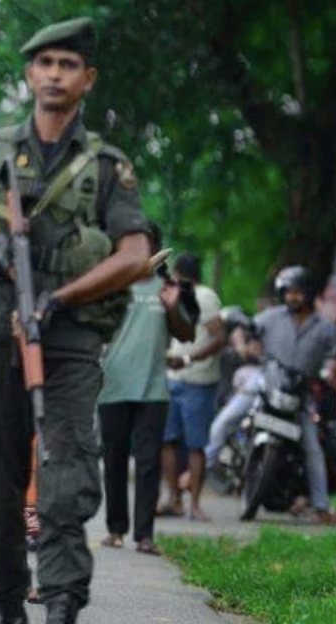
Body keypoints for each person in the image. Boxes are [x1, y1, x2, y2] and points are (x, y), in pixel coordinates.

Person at [0, 17, 151, 624]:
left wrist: (66, 296)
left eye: (68, 65)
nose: (54, 74)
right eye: (45, 63)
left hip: (69, 340)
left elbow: (133, 253)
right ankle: (9, 605)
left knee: (67, 478)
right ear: (29, 74)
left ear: (87, 80)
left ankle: (63, 606)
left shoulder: (106, 166)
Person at [98, 224, 194, 555]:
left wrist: (172, 308)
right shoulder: (110, 283)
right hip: (112, 387)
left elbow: (186, 334)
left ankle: (144, 535)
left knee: (149, 462)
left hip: (153, 390)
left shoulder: (167, 287)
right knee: (114, 461)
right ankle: (115, 529)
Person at [251, 265, 336, 524]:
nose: (292, 297)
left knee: (313, 448)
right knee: (227, 420)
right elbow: (247, 329)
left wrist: (333, 370)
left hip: (299, 396)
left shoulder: (325, 327)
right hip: (266, 386)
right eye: (288, 292)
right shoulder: (270, 317)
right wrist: (243, 341)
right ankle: (205, 467)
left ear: (309, 293)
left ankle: (321, 505)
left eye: (298, 292)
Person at [158, 253, 224, 522]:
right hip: (173, 378)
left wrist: (187, 359)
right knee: (168, 440)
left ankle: (192, 504)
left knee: (195, 444)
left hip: (198, 380)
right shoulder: (172, 294)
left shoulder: (205, 297)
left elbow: (220, 337)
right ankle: (174, 500)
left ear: (178, 272)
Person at [204, 311, 265, 471]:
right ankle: (206, 465)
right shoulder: (231, 344)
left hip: (260, 393)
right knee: (220, 425)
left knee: (222, 425)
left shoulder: (256, 340)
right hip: (234, 393)